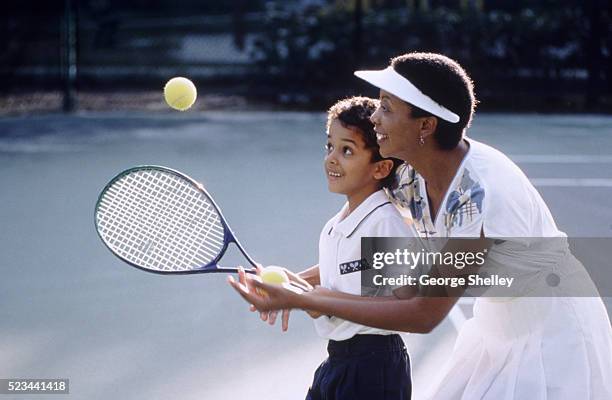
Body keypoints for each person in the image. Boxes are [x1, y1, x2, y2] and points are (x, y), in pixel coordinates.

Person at [230, 53, 612, 399]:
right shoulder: (410, 176)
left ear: (425, 125)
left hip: (554, 329)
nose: (375, 118)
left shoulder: (477, 197)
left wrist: (303, 299)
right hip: (497, 322)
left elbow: (422, 312)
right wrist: (296, 283)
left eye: (387, 108)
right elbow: (381, 263)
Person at [229, 96, 415, 399]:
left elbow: (404, 306)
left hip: (373, 367)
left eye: (347, 150)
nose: (332, 158)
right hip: (339, 361)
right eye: (330, 146)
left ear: (380, 169)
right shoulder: (336, 224)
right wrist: (292, 285)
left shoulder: (385, 223)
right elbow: (346, 268)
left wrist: (310, 300)